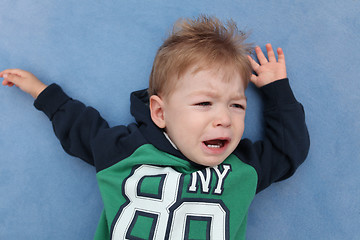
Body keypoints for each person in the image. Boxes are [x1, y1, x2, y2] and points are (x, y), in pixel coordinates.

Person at [1, 16, 309, 240]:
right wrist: (42, 92)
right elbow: (82, 128)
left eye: (237, 105)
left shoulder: (243, 169)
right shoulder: (126, 151)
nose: (225, 119)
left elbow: (288, 150)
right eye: (204, 103)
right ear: (160, 112)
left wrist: (277, 90)